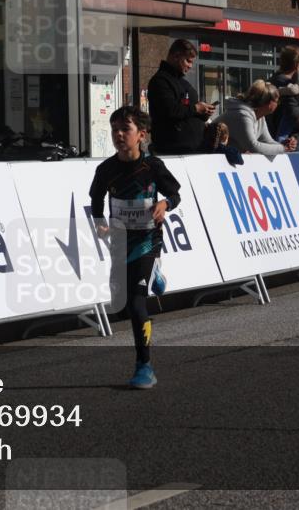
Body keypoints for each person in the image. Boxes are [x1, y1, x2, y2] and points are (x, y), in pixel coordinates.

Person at [90, 107, 181, 390]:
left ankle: (145, 366)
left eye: (125, 129)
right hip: (121, 241)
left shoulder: (153, 166)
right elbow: (96, 198)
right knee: (120, 303)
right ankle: (156, 275)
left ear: (140, 135)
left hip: (147, 240)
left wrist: (164, 205)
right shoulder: (106, 169)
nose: (118, 134)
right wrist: (100, 223)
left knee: (136, 303)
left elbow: (174, 194)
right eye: (115, 128)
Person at [146, 39, 217, 154]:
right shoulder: (160, 81)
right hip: (172, 151)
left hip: (192, 149)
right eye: (188, 61)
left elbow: (188, 113)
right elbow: (170, 110)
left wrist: (204, 113)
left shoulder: (183, 83)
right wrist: (196, 108)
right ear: (176, 56)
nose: (190, 66)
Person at [212, 80, 297, 155]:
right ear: (269, 103)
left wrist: (282, 145)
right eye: (277, 101)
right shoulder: (242, 115)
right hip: (211, 156)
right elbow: (253, 146)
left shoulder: (260, 117)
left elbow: (267, 141)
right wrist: (283, 148)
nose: (278, 104)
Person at [268, 45, 299, 138]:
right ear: (298, 65)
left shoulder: (276, 79)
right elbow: (293, 111)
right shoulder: (286, 83)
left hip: (278, 133)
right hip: (289, 137)